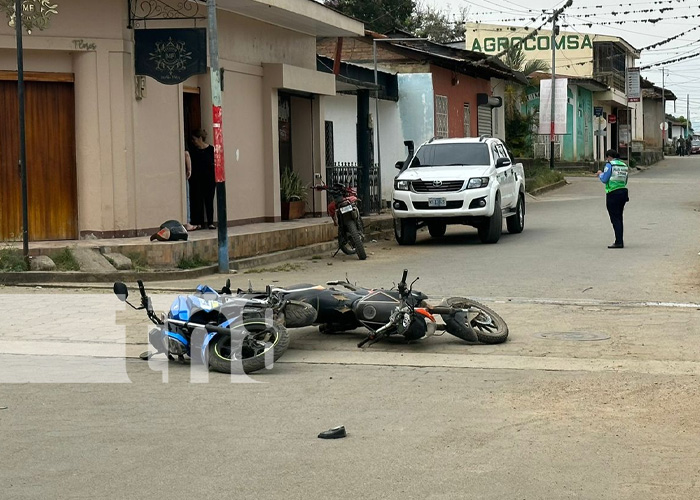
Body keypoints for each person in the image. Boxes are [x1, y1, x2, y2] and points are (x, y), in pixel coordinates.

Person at [596, 149, 629, 249]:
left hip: (613, 193)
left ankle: (618, 241)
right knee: (619, 217)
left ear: (609, 157)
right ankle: (619, 239)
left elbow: (605, 179)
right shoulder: (624, 165)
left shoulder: (610, 165)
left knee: (615, 218)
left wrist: (600, 174)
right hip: (623, 192)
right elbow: (625, 180)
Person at [188, 129, 216, 230]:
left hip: (209, 179)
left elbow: (215, 164)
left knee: (209, 200)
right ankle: (198, 222)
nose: (193, 142)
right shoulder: (193, 151)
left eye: (194, 139)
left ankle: (210, 222)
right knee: (198, 200)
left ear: (200, 138)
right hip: (197, 179)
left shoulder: (211, 150)